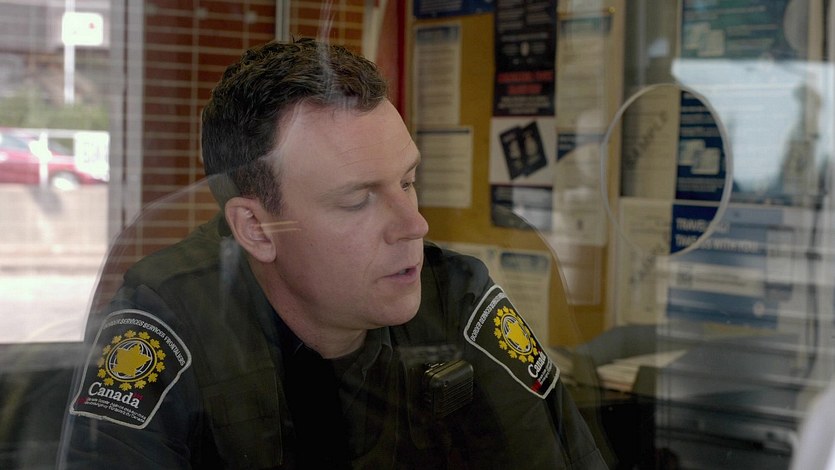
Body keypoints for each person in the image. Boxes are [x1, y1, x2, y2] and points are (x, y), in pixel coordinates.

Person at [59, 37, 606, 469]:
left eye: (408, 181)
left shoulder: (456, 296)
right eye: (358, 200)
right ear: (257, 229)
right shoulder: (169, 322)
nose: (414, 225)